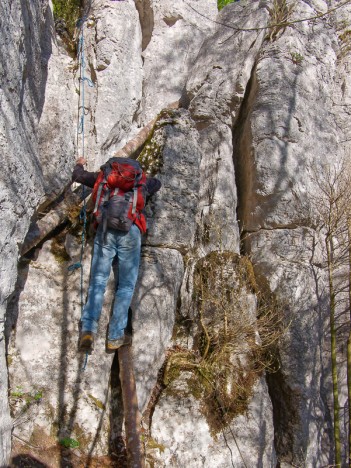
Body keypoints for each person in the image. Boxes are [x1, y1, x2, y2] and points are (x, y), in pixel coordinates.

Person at [72, 156, 161, 351]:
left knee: (98, 281)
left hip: (105, 231)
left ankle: (88, 329)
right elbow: (158, 183)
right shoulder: (141, 181)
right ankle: (115, 336)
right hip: (131, 232)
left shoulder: (103, 177)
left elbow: (77, 176)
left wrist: (80, 163)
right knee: (126, 286)